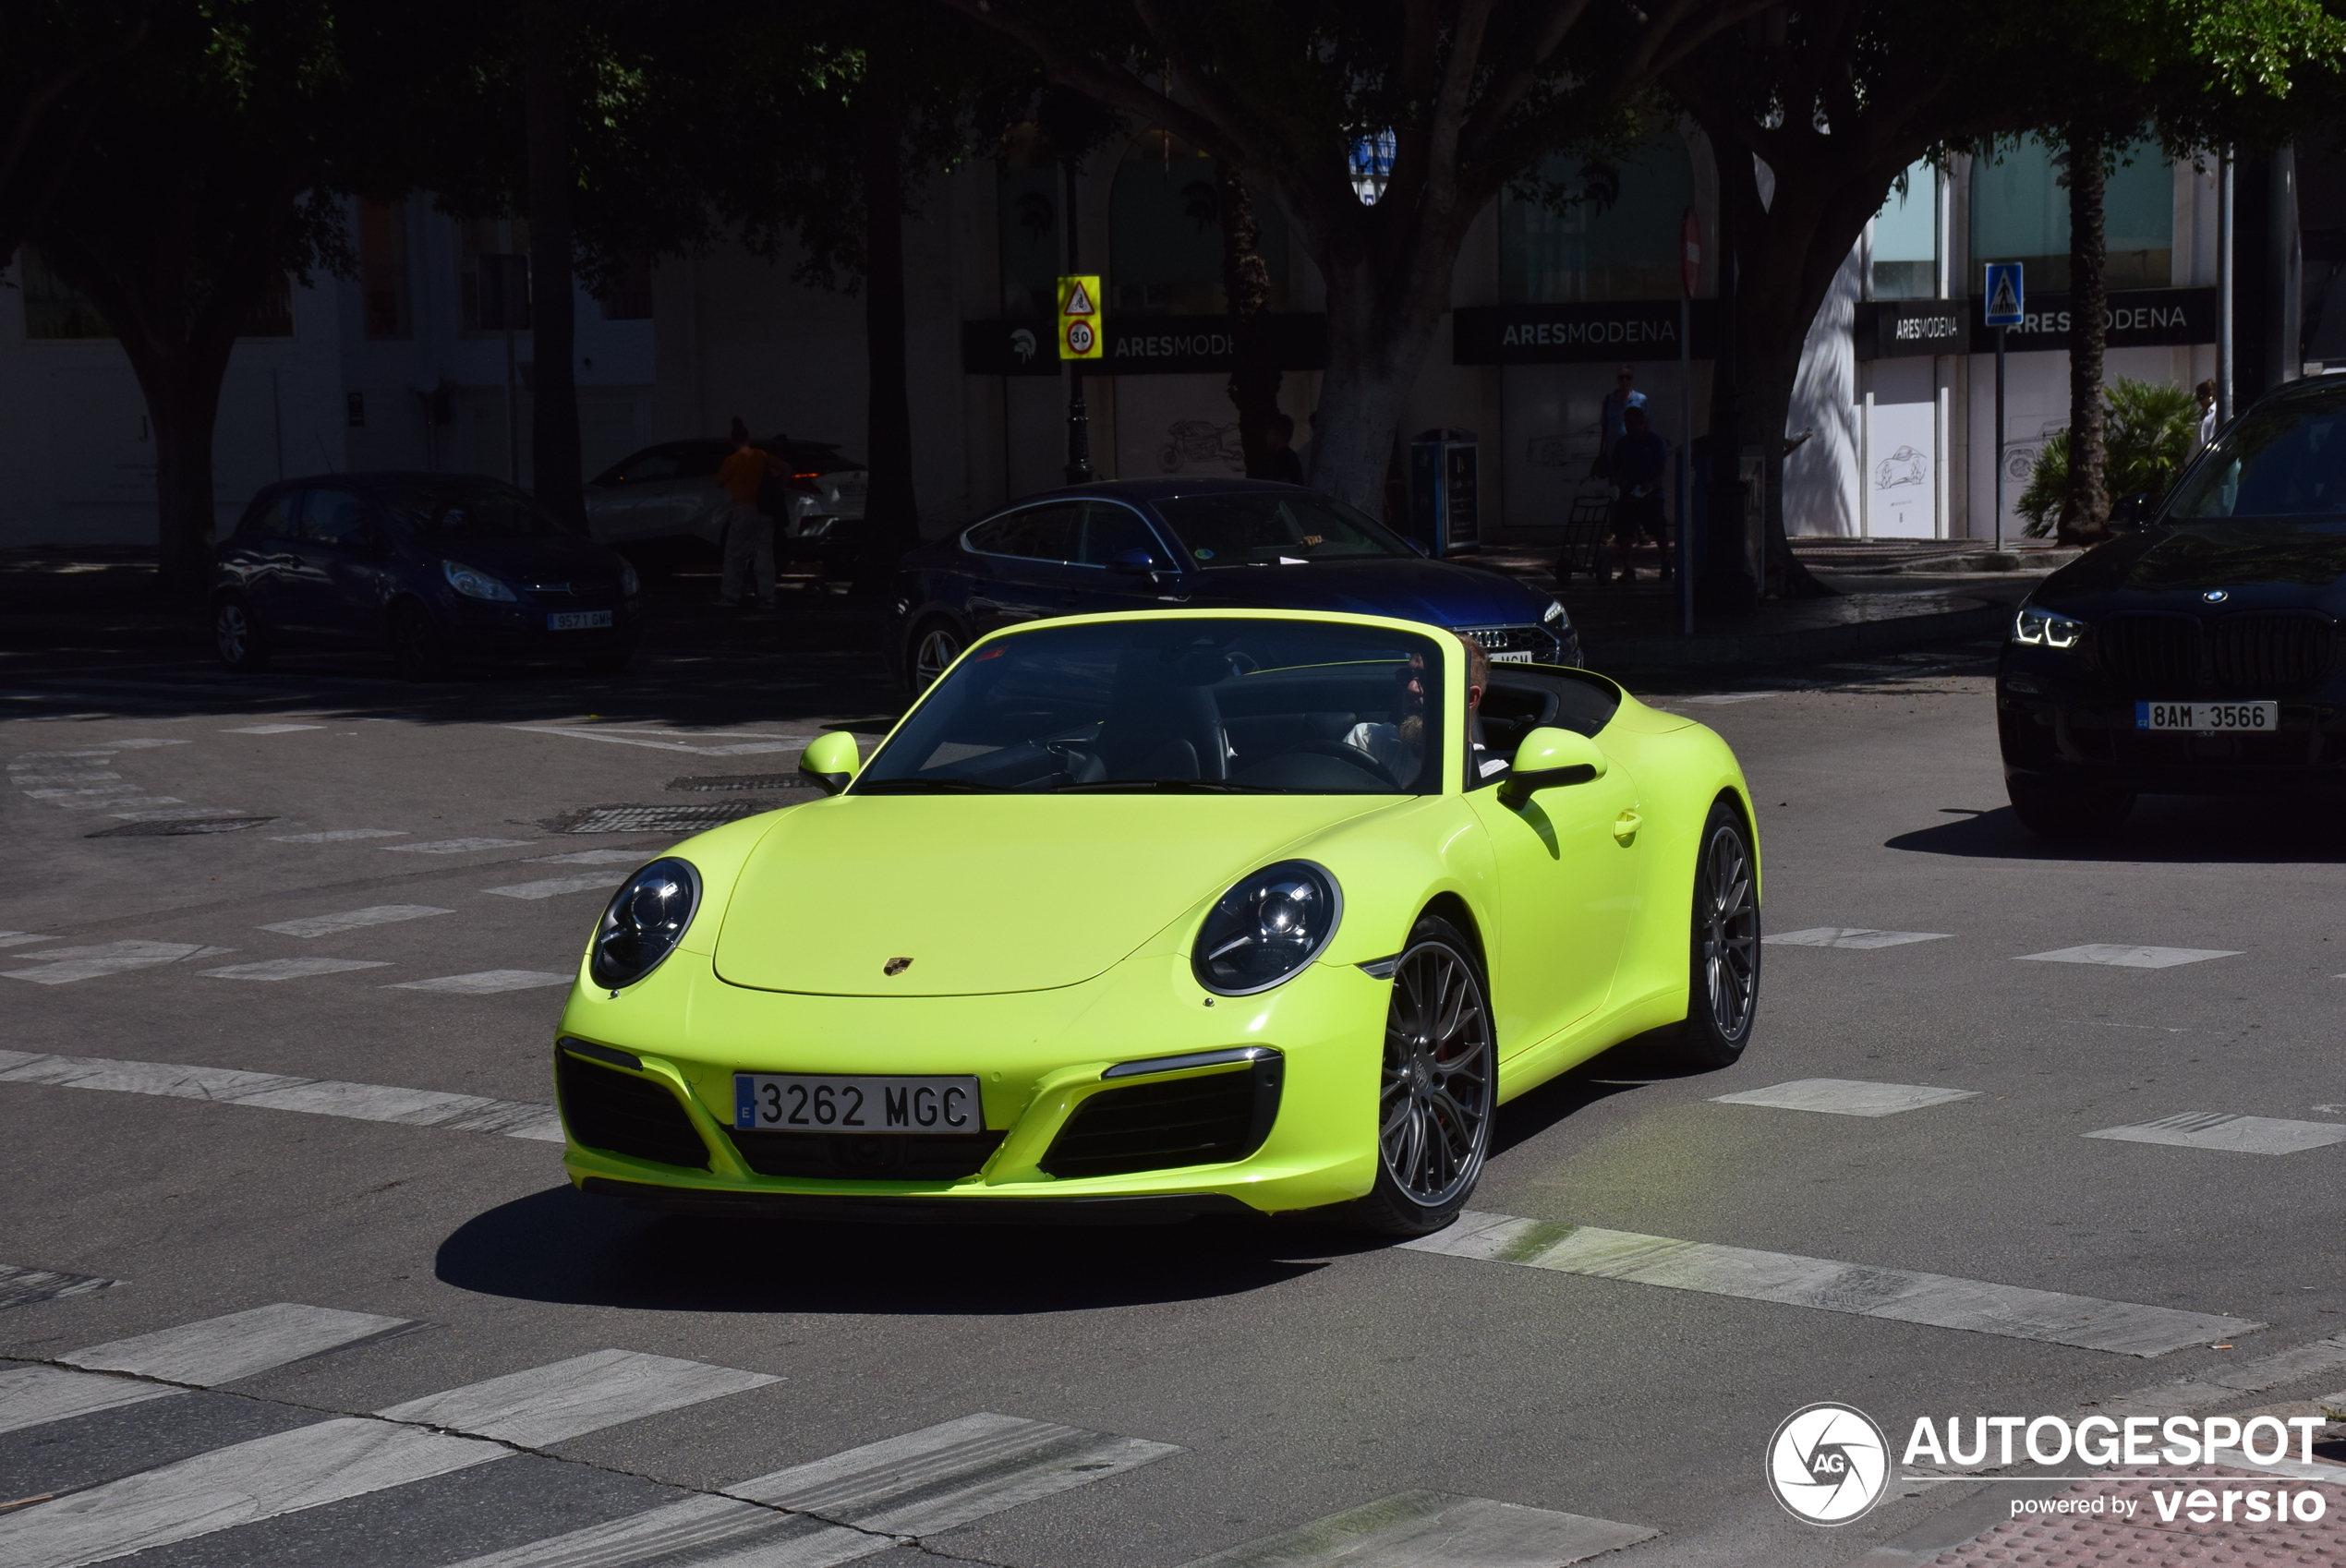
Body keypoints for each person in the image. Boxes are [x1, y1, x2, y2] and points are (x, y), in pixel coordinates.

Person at [716, 423, 780, 609]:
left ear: (732, 441)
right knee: (764, 554)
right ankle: (768, 596)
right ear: (749, 438)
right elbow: (786, 467)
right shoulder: (761, 455)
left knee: (735, 554)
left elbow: (720, 482)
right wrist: (780, 487)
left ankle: (730, 596)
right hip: (765, 509)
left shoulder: (732, 460)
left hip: (743, 510)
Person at [1608, 405, 1671, 584]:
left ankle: (1665, 562)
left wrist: (1651, 483)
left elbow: (1661, 467)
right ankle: (1629, 569)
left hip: (1651, 493)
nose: (1628, 427)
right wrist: (1618, 482)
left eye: (1632, 423)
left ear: (1641, 423)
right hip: (1630, 492)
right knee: (1625, 531)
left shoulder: (1653, 441)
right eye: (1626, 424)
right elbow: (1615, 465)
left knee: (1658, 529)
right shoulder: (1623, 443)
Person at [1596, 365, 1647, 476]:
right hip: (1612, 451)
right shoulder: (1609, 399)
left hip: (1634, 451)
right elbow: (1605, 426)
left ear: (1632, 379)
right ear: (1617, 379)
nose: (1624, 380)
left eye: (1628, 377)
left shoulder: (1641, 399)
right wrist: (1602, 451)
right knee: (1614, 488)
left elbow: (1646, 425)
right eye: (1621, 377)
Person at [1260, 413, 1305, 485]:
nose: (1266, 436)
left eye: (1268, 432)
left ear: (1278, 433)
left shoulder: (1283, 456)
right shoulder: (1289, 455)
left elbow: (1283, 486)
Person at [2195, 379, 2219, 450]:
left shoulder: (2217, 413)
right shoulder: (2203, 414)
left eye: (2201, 397)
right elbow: (2195, 444)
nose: (2199, 401)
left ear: (2210, 395)